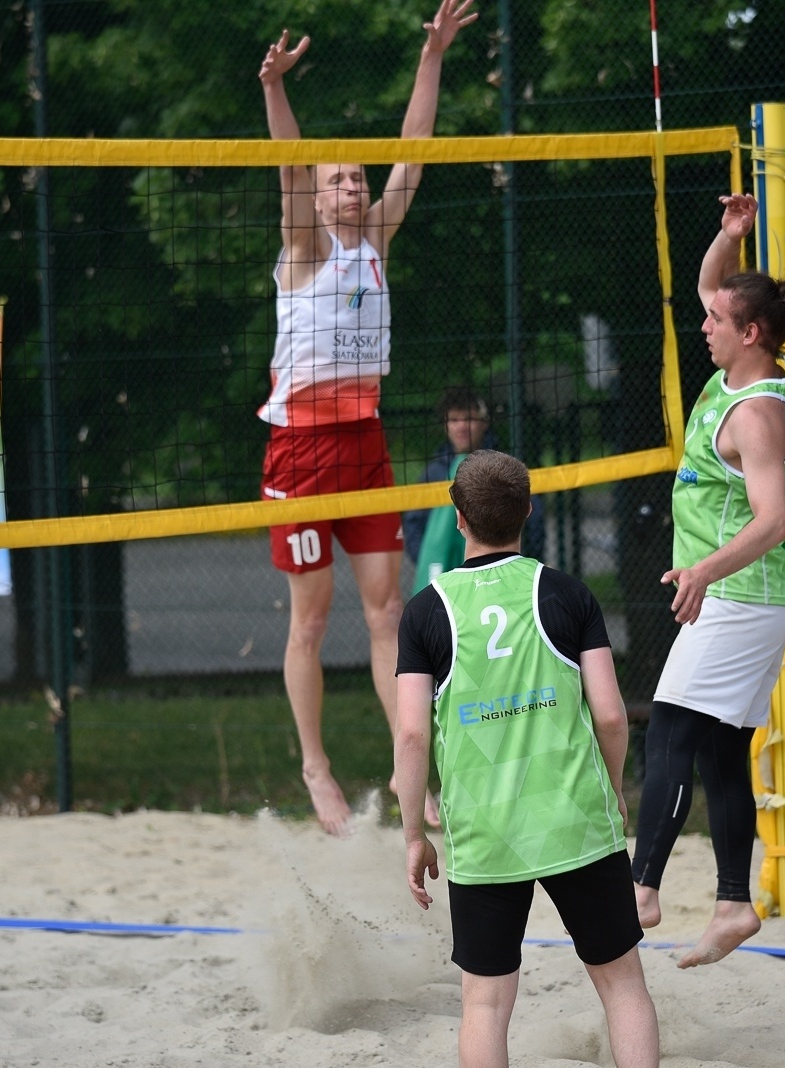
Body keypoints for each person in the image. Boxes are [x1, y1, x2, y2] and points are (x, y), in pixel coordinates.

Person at [258, 0, 476, 836]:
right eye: (338, 179)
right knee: (311, 621)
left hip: (365, 442)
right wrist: (277, 90)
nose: (351, 186)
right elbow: (288, 170)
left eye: (356, 177)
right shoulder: (304, 247)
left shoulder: (376, 238)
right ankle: (315, 764)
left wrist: (434, 55)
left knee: (388, 613)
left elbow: (413, 152)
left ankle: (407, 767)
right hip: (302, 452)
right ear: (318, 196)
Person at [394, 450, 659, 1068]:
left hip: (485, 832)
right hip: (574, 817)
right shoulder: (567, 594)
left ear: (457, 517)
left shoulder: (426, 612)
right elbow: (612, 715)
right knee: (622, 985)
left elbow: (411, 737)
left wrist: (413, 833)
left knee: (484, 1005)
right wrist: (614, 787)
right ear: (529, 512)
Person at [630, 193, 785, 968]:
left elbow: (774, 519)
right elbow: (716, 284)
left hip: (743, 596)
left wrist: (705, 568)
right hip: (741, 595)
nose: (701, 323)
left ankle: (640, 888)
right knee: (717, 752)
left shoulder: (758, 415)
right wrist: (730, 236)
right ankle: (735, 902)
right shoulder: (749, 364)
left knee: (671, 726)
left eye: (716, 320)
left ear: (750, 334)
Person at [403, 386, 544, 591]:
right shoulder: (433, 473)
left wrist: (524, 560)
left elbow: (533, 519)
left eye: (468, 418)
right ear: (445, 425)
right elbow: (414, 526)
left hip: (500, 574)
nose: (461, 426)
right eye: (454, 420)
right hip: (447, 579)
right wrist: (432, 562)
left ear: (484, 422)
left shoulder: (504, 468)